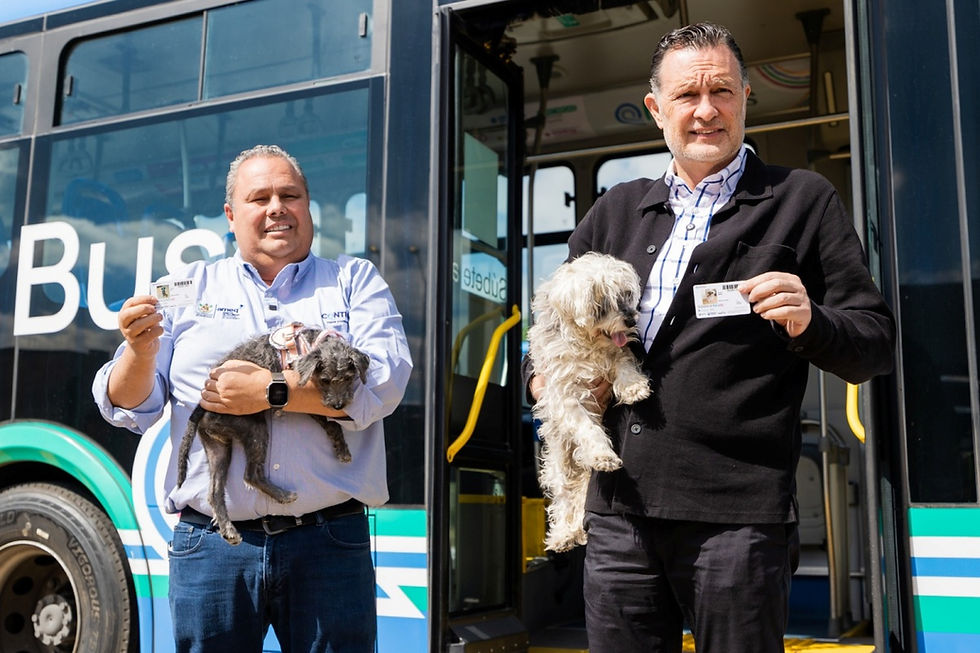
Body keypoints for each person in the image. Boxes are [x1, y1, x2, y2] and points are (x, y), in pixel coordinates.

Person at [524, 23, 894, 653]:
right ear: (656, 109)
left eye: (721, 91)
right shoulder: (611, 211)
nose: (704, 110)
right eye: (686, 96)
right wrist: (546, 381)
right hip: (618, 513)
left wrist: (812, 321)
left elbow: (874, 341)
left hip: (738, 516)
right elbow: (548, 339)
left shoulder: (802, 200)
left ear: (746, 97)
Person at [92, 144, 412, 652]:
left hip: (329, 542)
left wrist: (271, 393)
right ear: (230, 214)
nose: (276, 207)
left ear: (308, 206)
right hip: (211, 547)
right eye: (258, 197)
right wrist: (138, 348)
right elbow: (133, 405)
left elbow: (385, 384)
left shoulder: (354, 281)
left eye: (290, 195)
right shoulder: (185, 288)